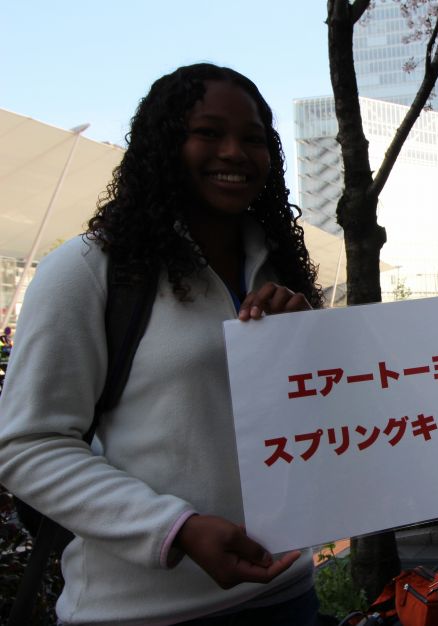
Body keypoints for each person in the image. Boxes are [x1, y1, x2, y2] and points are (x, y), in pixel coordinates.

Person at [0, 64, 322, 624]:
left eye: (253, 138)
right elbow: (27, 445)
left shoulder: (282, 269)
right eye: (208, 132)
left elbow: (323, 421)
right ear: (162, 144)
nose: (234, 152)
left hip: (289, 594)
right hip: (140, 611)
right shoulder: (88, 270)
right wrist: (175, 529)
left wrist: (310, 343)